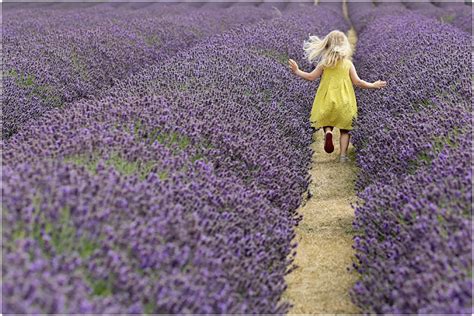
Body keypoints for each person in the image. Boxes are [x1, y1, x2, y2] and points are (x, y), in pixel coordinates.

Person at [288, 30, 387, 162]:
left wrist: (297, 71)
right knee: (345, 130)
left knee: (327, 121)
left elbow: (311, 77)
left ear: (327, 45)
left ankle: (328, 132)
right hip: (344, 100)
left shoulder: (324, 64)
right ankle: (343, 156)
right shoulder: (347, 64)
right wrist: (373, 85)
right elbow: (358, 82)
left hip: (327, 98)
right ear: (344, 46)